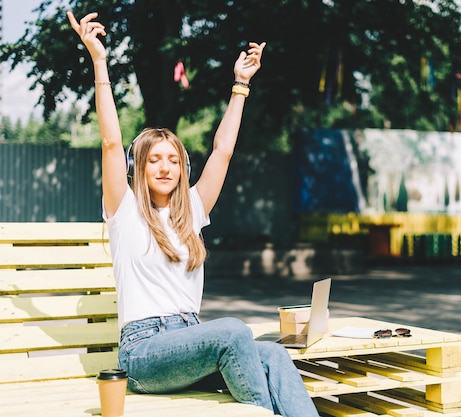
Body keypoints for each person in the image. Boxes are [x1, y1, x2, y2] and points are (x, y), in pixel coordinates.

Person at [67, 11, 319, 417]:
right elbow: (112, 143)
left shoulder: (193, 211)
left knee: (272, 354)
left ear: (183, 168)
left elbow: (222, 151)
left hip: (193, 342)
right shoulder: (124, 212)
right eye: (154, 160)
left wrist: (241, 85)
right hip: (145, 353)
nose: (165, 167)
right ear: (139, 169)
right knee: (234, 331)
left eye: (173, 159)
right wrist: (99, 61)